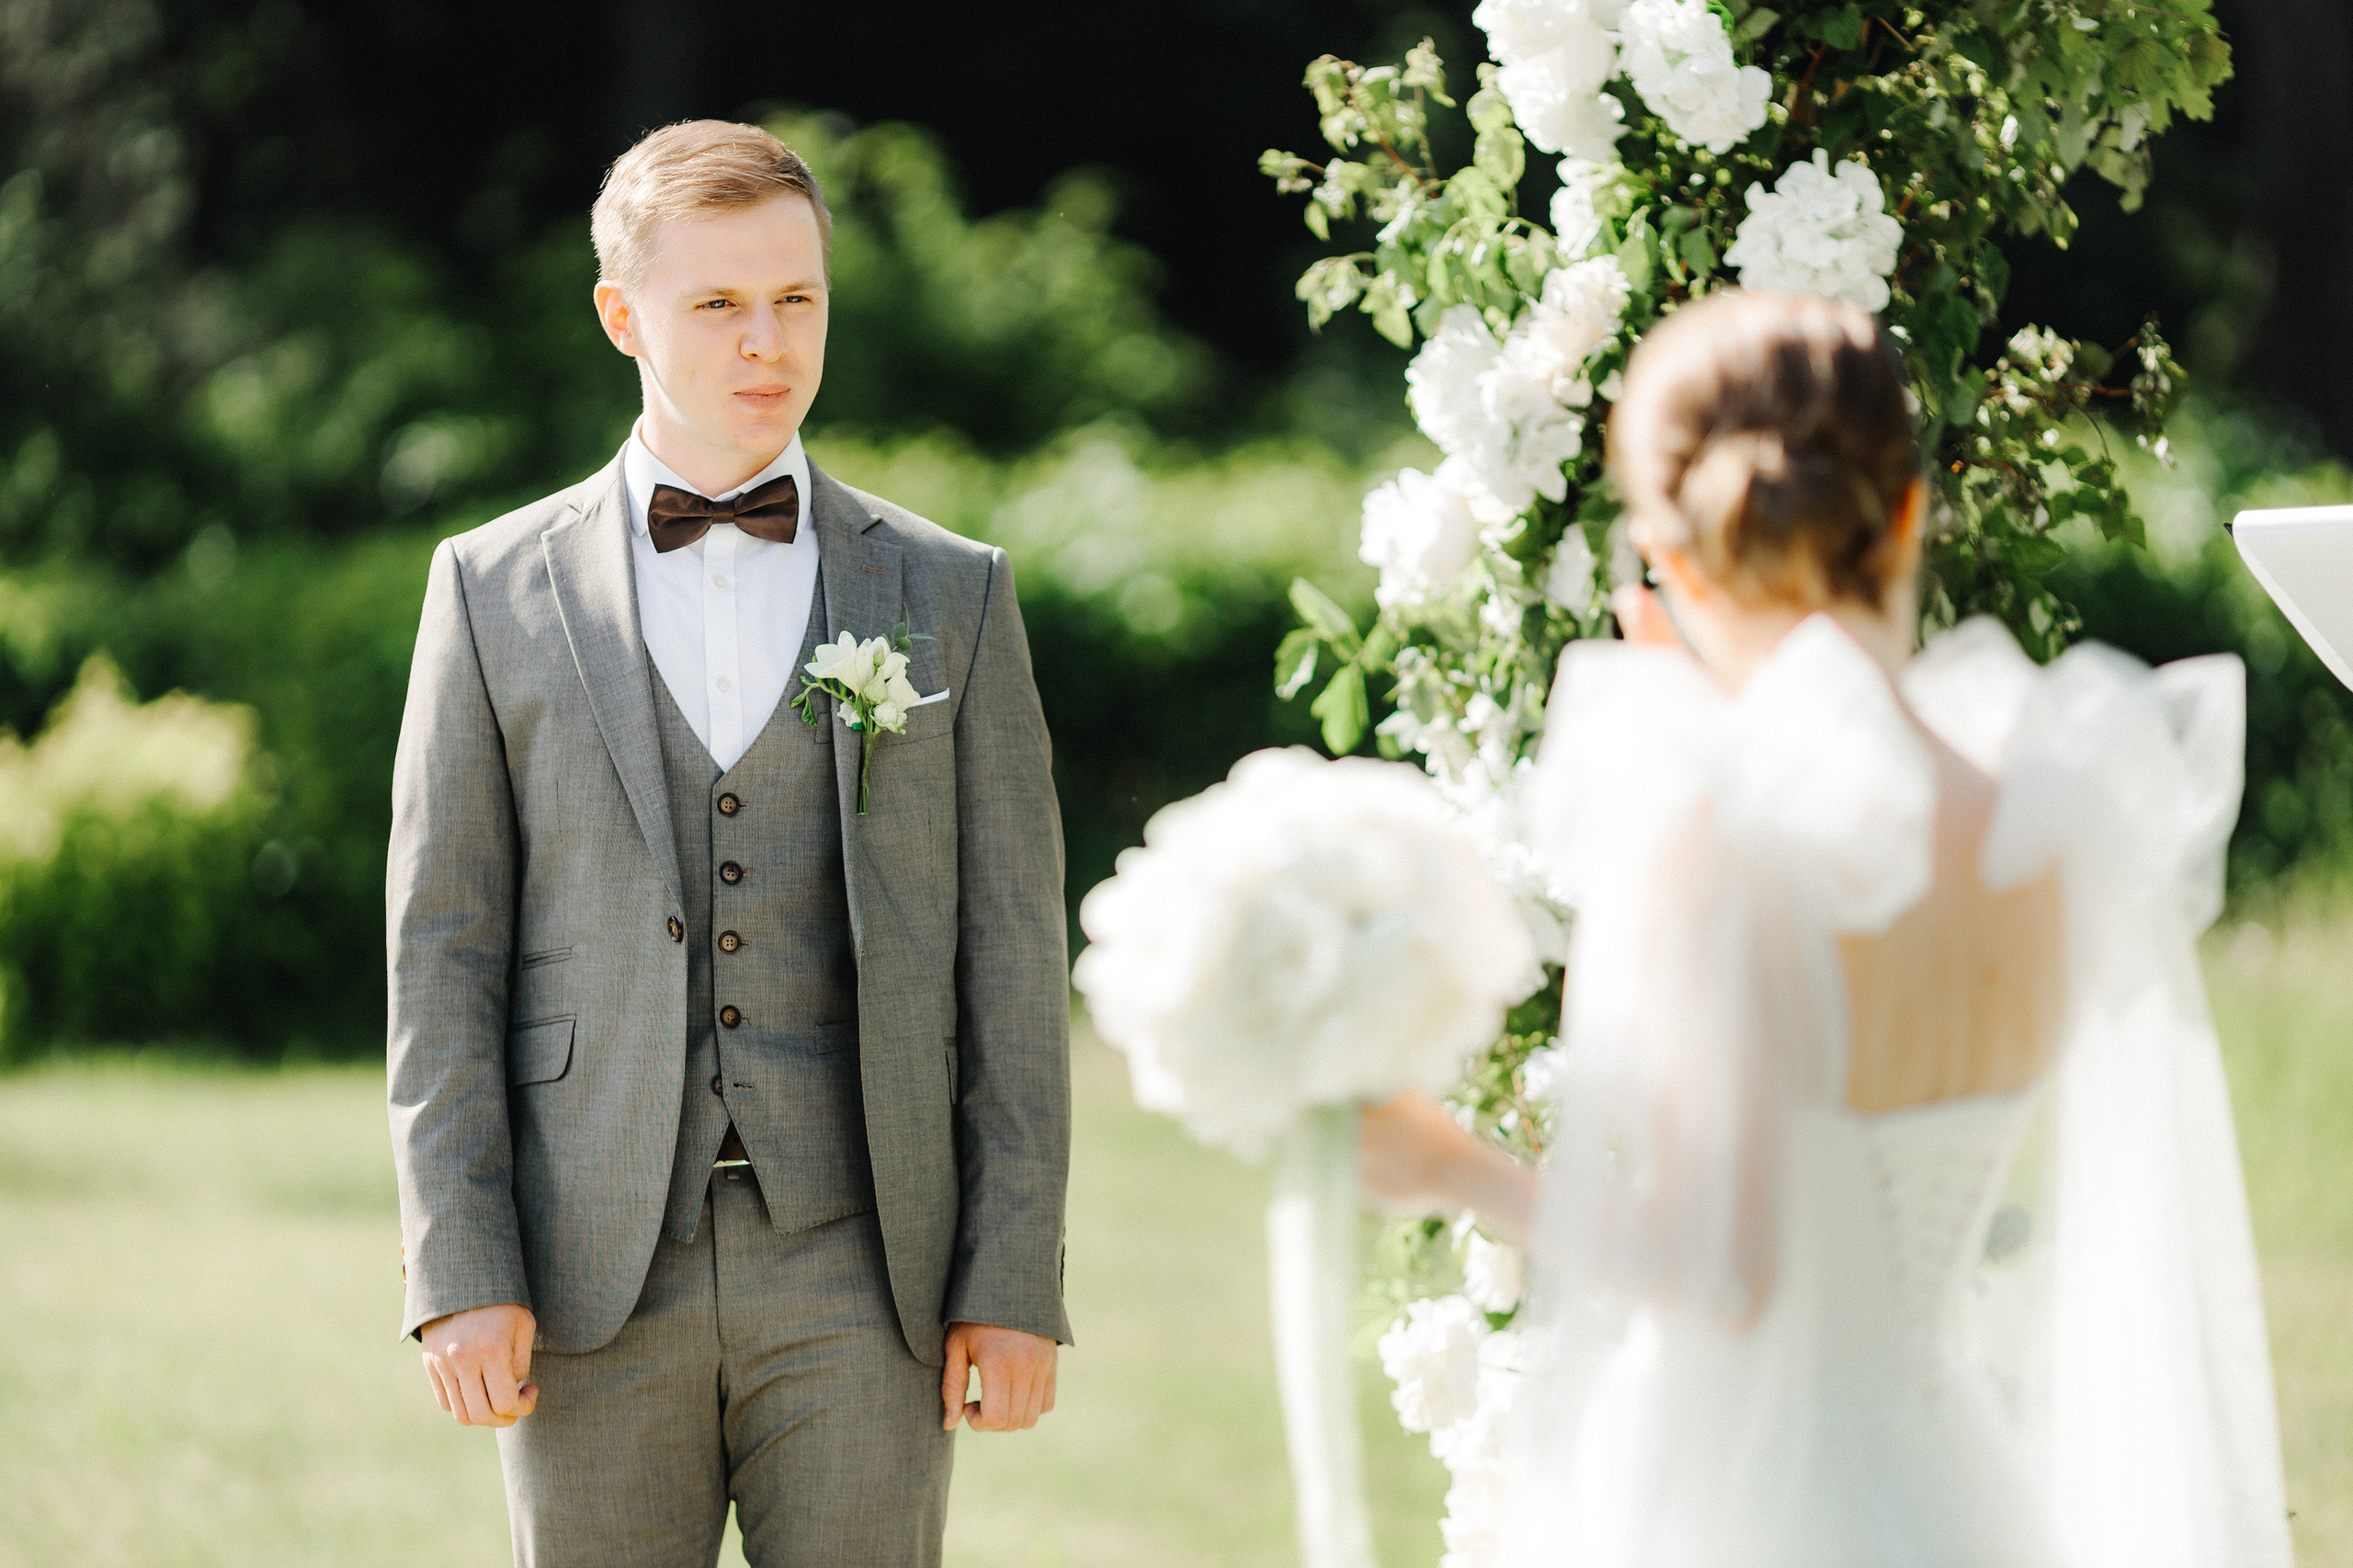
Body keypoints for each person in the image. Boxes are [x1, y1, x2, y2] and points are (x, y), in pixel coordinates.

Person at [1361, 290, 2293, 1567]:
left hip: (1743, 1501)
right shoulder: (2049, 812)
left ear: (1674, 557)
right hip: (1950, 1476)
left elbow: (1727, 1275)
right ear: (1909, 511)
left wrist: (1440, 1163)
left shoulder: (1723, 833)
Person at [385, 119, 1072, 1568]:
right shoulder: (490, 591)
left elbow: (1011, 956)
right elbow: (442, 953)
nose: (768, 342)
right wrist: (460, 1264)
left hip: (865, 1265)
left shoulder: (953, 593)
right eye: (717, 303)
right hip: (584, 1271)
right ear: (621, 316)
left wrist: (1011, 1275)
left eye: (796, 299)